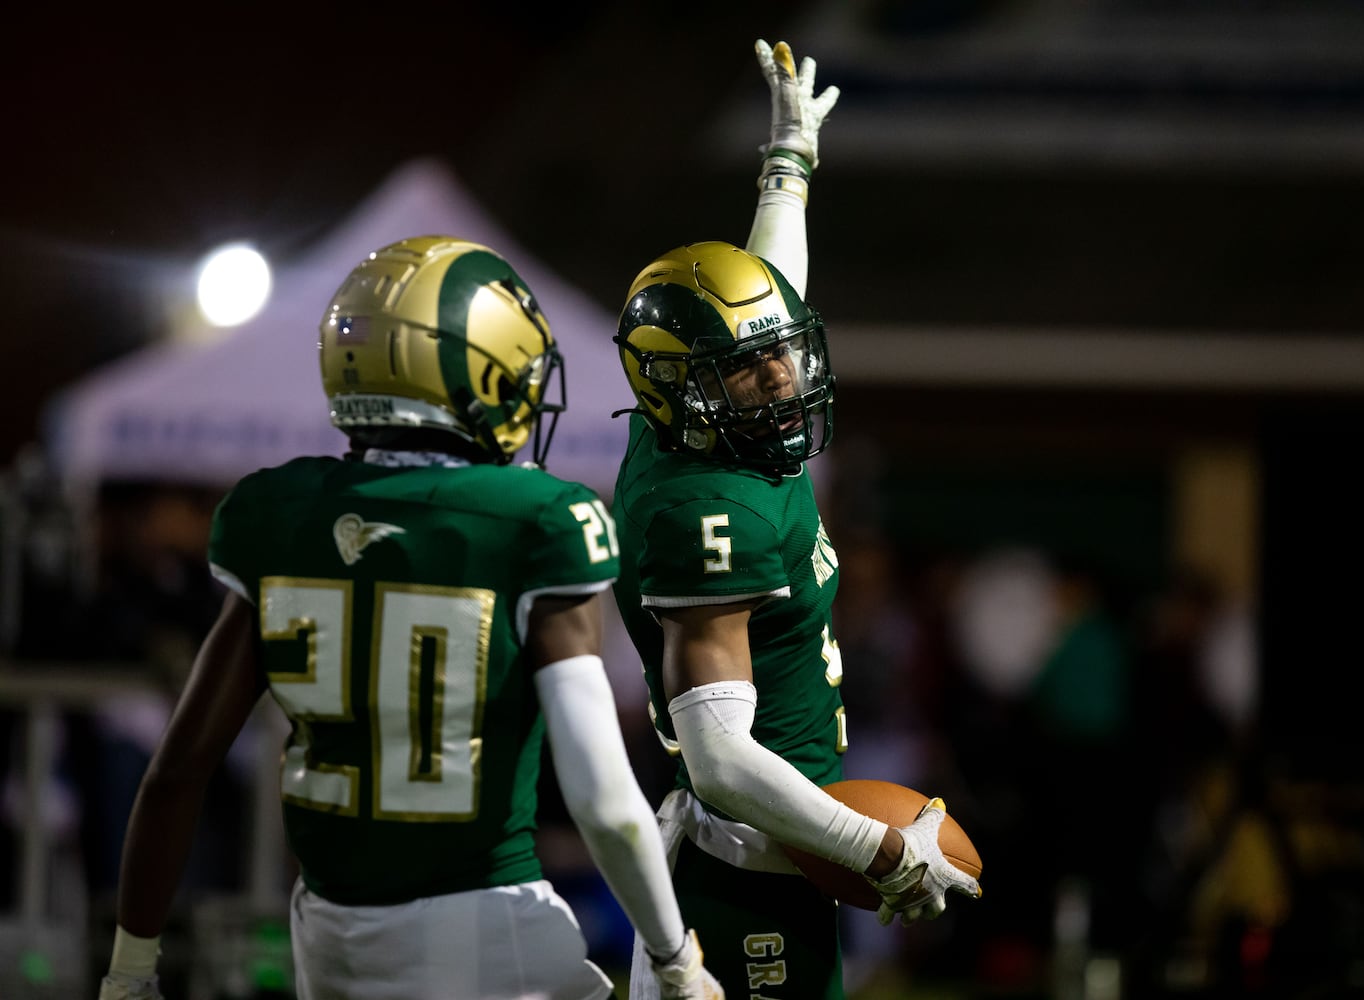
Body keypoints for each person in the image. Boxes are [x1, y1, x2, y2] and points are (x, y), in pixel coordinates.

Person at [98, 235, 722, 1000]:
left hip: (328, 932)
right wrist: (675, 960)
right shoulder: (534, 520)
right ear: (482, 375)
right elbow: (602, 798)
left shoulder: (280, 511)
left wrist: (129, 969)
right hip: (488, 927)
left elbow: (177, 769)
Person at [610, 44, 981, 1000]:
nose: (782, 377)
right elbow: (725, 760)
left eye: (784, 352)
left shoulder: (711, 427)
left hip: (780, 845)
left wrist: (788, 164)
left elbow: (766, 285)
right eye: (750, 368)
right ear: (682, 387)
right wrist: (879, 851)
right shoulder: (707, 508)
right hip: (749, 866)